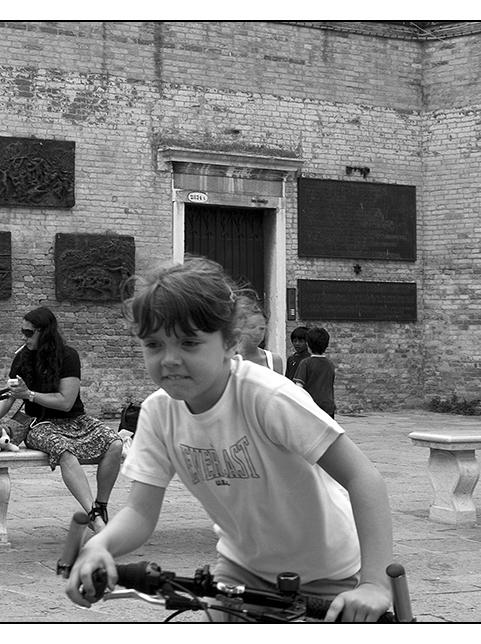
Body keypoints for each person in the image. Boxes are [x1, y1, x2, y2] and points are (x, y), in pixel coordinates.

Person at [64, 256, 393, 622]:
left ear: (230, 342)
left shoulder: (267, 397)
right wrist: (100, 546)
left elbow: (362, 477)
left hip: (328, 574)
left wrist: (374, 585)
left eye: (189, 343)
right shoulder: (159, 413)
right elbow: (141, 511)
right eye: (153, 345)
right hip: (241, 570)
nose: (169, 359)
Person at [0, 306, 123, 531]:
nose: (24, 337)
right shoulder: (22, 357)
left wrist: (29, 395)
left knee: (115, 443)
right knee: (64, 450)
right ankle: (94, 516)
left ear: (44, 332)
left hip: (76, 420)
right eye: (23, 331)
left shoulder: (68, 356)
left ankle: (101, 505)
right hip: (39, 424)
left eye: (29, 333)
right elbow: (10, 394)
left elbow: (66, 401)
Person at [293, 327, 337, 418]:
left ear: (308, 345)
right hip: (328, 407)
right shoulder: (330, 364)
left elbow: (298, 388)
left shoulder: (305, 363)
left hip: (311, 408)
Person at [234, 297, 284, 375]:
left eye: (262, 328)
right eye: (252, 327)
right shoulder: (228, 358)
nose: (257, 333)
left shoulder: (273, 360)